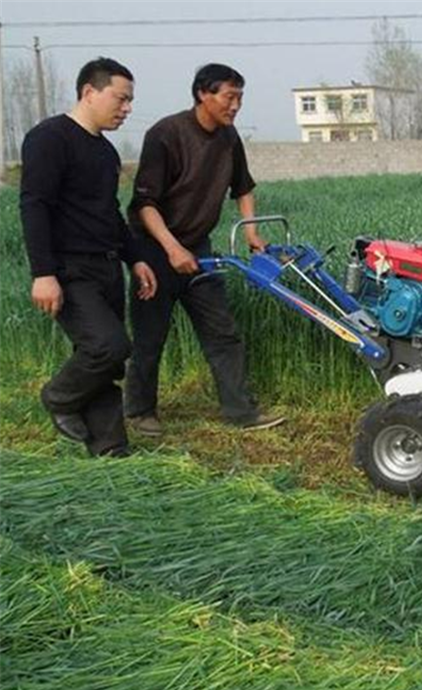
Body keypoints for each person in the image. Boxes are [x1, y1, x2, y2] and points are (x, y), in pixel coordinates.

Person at [125, 63, 283, 436]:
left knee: (221, 331)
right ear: (202, 94)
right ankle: (140, 412)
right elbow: (144, 204)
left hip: (199, 250)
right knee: (150, 335)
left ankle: (240, 412)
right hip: (154, 250)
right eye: (229, 97)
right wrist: (172, 249)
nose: (235, 106)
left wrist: (251, 232)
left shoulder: (229, 137)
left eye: (240, 98)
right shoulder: (166, 134)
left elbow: (243, 188)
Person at [20, 57, 158, 458]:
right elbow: (34, 205)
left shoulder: (105, 152)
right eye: (120, 98)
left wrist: (135, 258)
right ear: (89, 92)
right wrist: (43, 273)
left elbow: (110, 213)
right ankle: (59, 397)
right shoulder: (50, 138)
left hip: (107, 265)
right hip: (69, 268)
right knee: (108, 346)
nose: (126, 108)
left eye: (130, 101)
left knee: (108, 364)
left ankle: (110, 447)